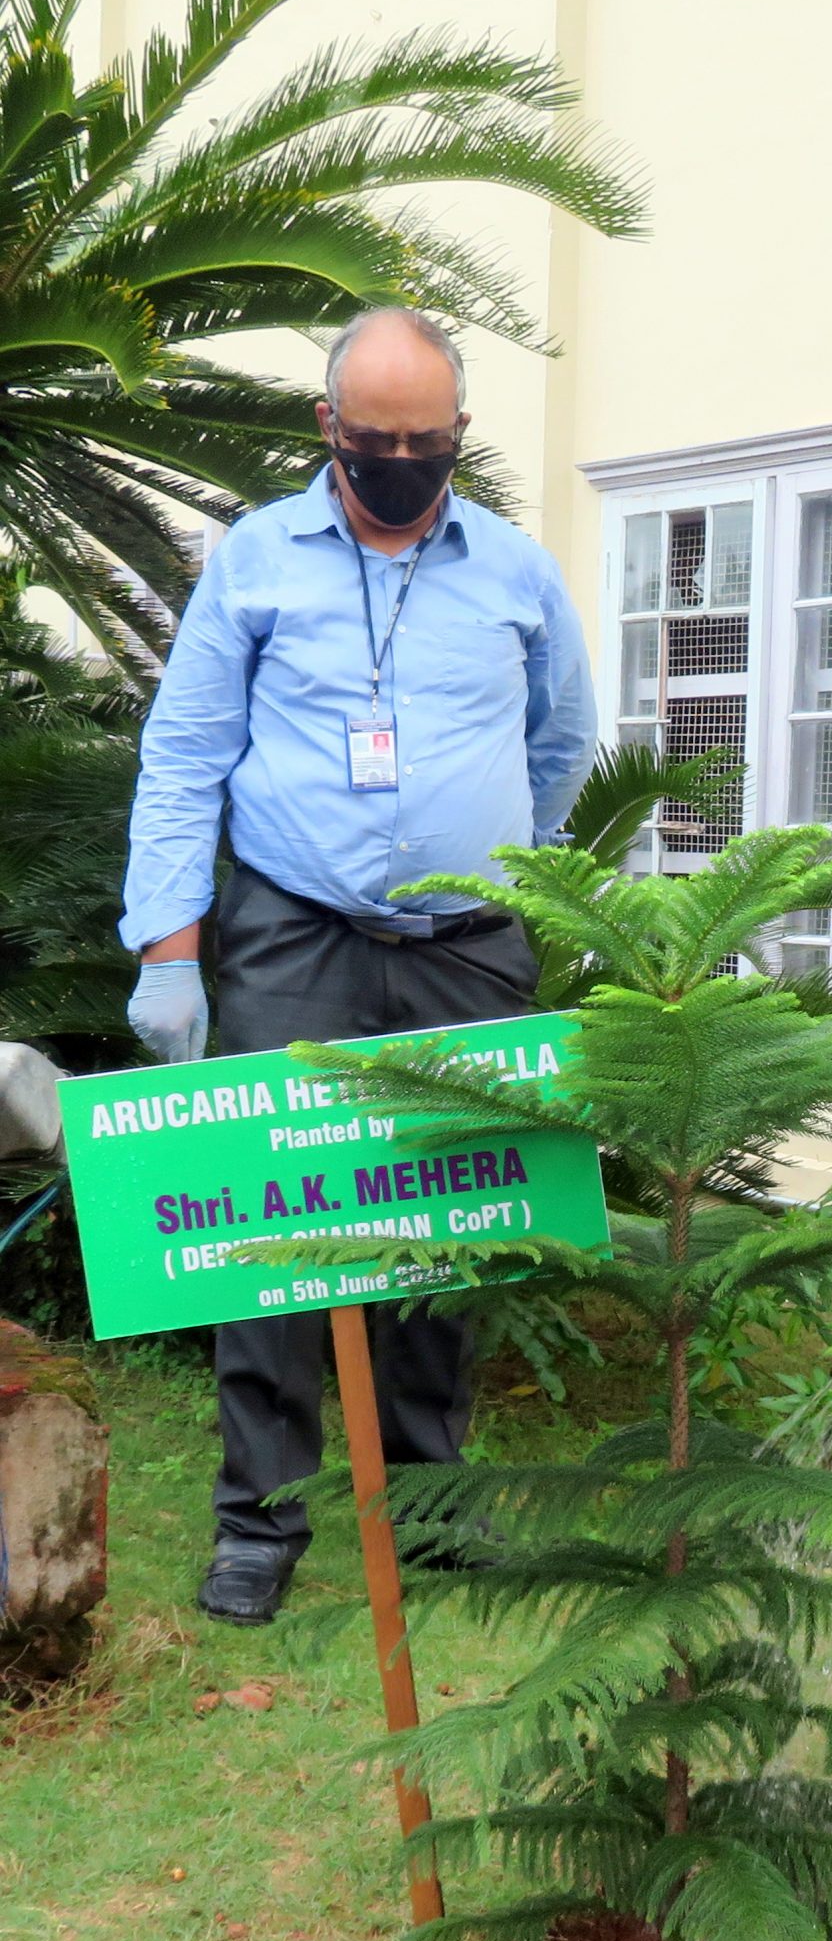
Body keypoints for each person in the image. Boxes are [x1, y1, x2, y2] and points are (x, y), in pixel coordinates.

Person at [120, 307, 596, 1625]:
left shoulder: (514, 572)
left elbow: (563, 744)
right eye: (376, 438)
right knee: (275, 1236)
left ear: (458, 436)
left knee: (447, 1230)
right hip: (293, 934)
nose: (401, 461)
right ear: (329, 428)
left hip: (466, 950)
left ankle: (433, 1511)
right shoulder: (258, 563)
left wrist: (505, 867)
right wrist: (171, 948)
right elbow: (185, 753)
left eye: (426, 441)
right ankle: (258, 1529)